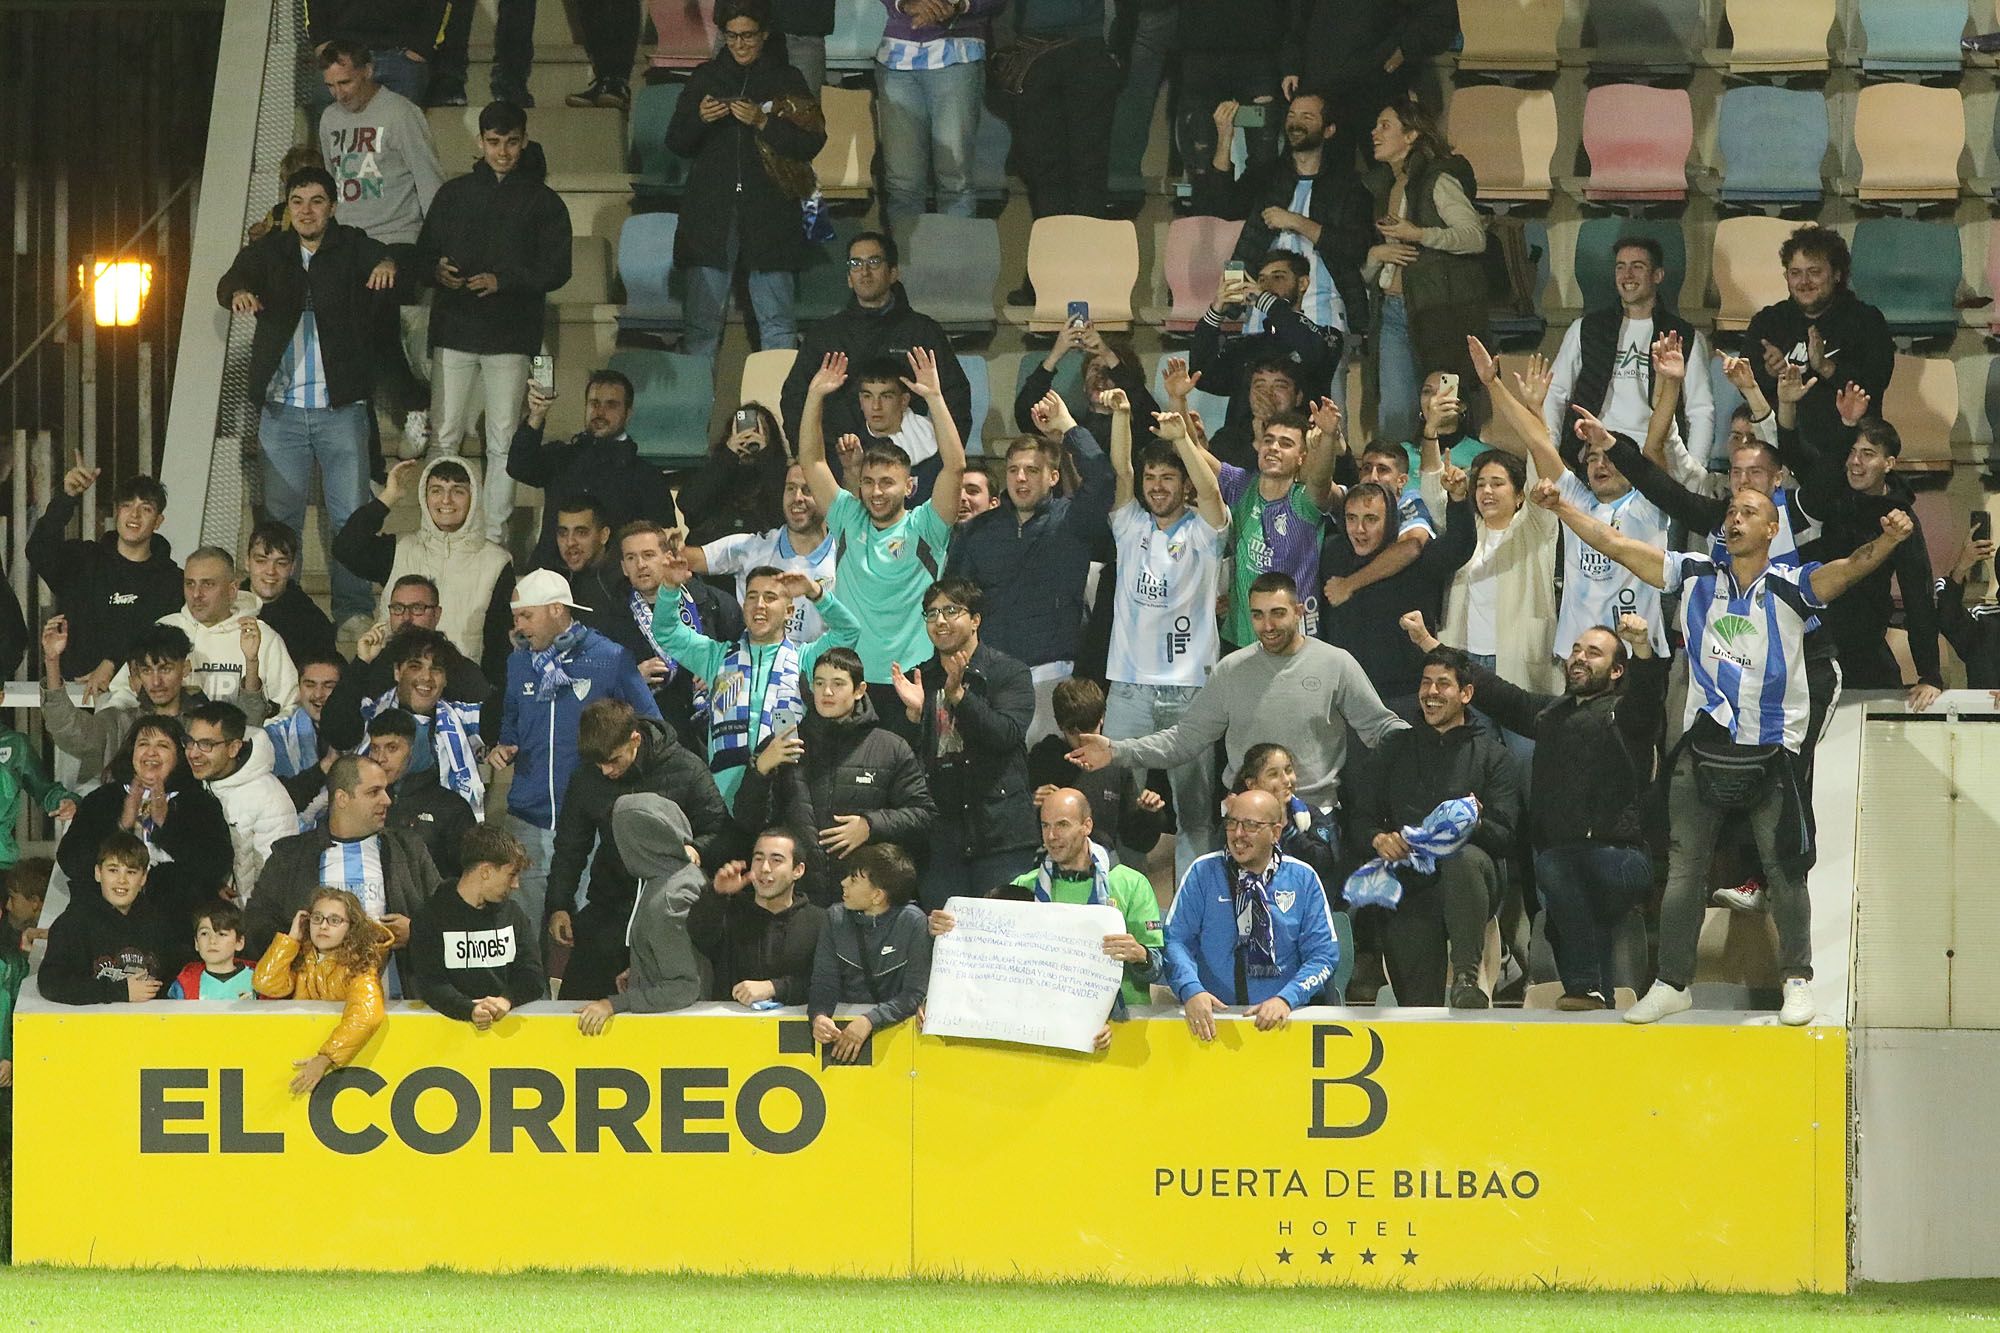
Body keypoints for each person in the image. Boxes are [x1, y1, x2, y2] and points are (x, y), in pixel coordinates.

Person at [1532, 475, 1917, 1026]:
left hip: (1771, 748)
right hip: (1704, 745)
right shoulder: (1692, 574)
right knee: (1685, 872)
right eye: (1731, 511)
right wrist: (1563, 507)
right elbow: (1615, 544)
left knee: (1785, 872)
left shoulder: (1791, 584)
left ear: (1772, 527)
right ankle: (1672, 983)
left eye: (1749, 512)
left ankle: (1796, 980)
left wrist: (1889, 541)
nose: (1735, 520)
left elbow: (1852, 566)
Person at [1403, 609, 1667, 1010]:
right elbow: (1495, 691)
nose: (1578, 657)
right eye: (1576, 650)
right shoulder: (1550, 715)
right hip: (1562, 861)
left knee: (1559, 870)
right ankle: (1597, 997)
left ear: (1616, 672)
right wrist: (1428, 642)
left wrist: (1643, 649)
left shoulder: (1626, 714)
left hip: (1621, 858)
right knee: (1556, 877)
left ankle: (1586, 988)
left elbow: (1648, 695)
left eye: (1593, 653)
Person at [216, 165, 396, 622]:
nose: (306, 210)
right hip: (282, 413)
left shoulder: (351, 243)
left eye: (316, 201)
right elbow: (228, 281)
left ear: (332, 207)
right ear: (287, 207)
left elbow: (389, 257)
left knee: (350, 523)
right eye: (297, 202)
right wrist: (239, 291)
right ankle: (283, 615)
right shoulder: (270, 251)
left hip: (341, 410)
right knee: (281, 526)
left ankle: (353, 612)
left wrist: (385, 265)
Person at [1069, 572, 1409, 814]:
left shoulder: (1336, 663)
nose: (1268, 626)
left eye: (1278, 614)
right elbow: (1182, 741)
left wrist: (1435, 744)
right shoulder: (1231, 671)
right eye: (1258, 615)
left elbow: (1381, 729)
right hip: (1243, 818)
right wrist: (1116, 751)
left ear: (1299, 612)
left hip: (1314, 817)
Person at [415, 100, 573, 539]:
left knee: (502, 437)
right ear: (480, 142)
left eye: (511, 142)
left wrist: (504, 281)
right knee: (445, 434)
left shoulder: (543, 202)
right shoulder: (454, 194)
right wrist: (437, 270)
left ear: (524, 141)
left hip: (509, 334)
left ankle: (494, 535)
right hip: (455, 327)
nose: (502, 151)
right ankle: (437, 531)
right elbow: (424, 252)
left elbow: (558, 268)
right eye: (494, 142)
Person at [1472, 334, 1673, 663]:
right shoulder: (1579, 500)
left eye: (1609, 456)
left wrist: (1670, 383)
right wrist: (1494, 384)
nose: (1599, 464)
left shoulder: (1647, 506)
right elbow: (1538, 443)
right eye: (1591, 458)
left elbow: (1656, 444)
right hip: (1576, 657)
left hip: (1633, 655)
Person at [799, 349, 967, 734]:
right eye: (870, 482)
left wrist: (936, 399)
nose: (877, 492)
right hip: (855, 680)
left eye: (887, 482)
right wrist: (814, 397)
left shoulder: (927, 525)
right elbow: (812, 461)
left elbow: (955, 466)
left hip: (914, 678)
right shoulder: (846, 517)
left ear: (909, 487)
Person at [489, 569, 662, 937]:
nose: (518, 626)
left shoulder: (610, 658)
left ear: (556, 609)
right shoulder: (518, 661)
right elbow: (511, 718)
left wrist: (617, 775)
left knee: (586, 937)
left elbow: (653, 728)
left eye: (526, 616)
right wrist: (504, 746)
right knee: (524, 938)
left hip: (591, 824)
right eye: (516, 616)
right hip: (528, 821)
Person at [1097, 407, 1230, 875]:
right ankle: (1115, 906)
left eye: (1168, 477)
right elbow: (1121, 469)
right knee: (1111, 805)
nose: (1156, 485)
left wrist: (1185, 441)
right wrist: (1121, 416)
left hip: (1191, 689)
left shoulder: (1205, 530)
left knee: (1194, 813)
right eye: (1151, 476)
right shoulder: (1129, 523)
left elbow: (1213, 491)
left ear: (1185, 484)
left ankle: (1190, 913)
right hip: (1129, 689)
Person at [1353, 647, 1520, 1008]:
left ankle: (1465, 979)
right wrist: (1378, 838)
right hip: (1411, 881)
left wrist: (1468, 824)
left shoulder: (1493, 755)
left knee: (1462, 859)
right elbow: (1360, 817)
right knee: (1417, 1007)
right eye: (1426, 683)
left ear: (1466, 694)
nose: (1430, 692)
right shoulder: (1395, 748)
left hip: (1473, 877)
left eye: (1443, 684)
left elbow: (1506, 836)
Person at [947, 393, 1113, 742]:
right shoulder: (976, 531)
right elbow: (956, 600)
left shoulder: (1072, 520)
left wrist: (1068, 427)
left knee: (1047, 777)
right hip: (989, 677)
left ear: (1054, 477)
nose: (1020, 478)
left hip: (1052, 676)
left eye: (1032, 470)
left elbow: (1102, 477)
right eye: (1013, 470)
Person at [667, 0, 827, 358]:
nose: (740, 44)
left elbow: (811, 142)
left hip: (770, 214)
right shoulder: (706, 77)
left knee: (779, 326)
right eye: (732, 36)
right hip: (712, 216)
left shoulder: (787, 78)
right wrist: (700, 118)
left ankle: (780, 413)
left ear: (765, 34)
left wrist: (763, 122)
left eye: (748, 36)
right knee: (701, 328)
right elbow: (676, 141)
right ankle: (698, 414)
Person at [1191, 91, 1372, 401]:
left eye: (1307, 117)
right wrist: (1224, 138)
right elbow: (1221, 205)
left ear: (1328, 130)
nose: (1296, 123)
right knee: (1259, 403)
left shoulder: (1347, 185)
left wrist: (1295, 221)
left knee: (1323, 414)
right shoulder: (1268, 174)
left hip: (1322, 317)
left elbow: (1356, 247)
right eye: (1291, 116)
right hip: (1261, 316)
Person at [549, 698, 731, 999]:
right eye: (598, 764)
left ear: (635, 739)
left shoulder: (686, 768)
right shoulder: (585, 778)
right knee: (577, 1005)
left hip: (672, 912)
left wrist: (697, 848)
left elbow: (720, 830)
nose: (606, 771)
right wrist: (559, 905)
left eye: (614, 760)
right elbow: (570, 847)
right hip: (610, 905)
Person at [317, 38, 446, 458]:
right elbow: (331, 185)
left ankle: (413, 402)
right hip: (350, 244)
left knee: (373, 312)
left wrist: (440, 248)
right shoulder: (328, 120)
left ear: (368, 70)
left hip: (399, 239)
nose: (340, 93)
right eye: (332, 85)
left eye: (347, 82)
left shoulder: (400, 114)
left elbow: (430, 183)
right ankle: (363, 441)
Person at [733, 645, 935, 902]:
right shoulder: (781, 746)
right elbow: (748, 822)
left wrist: (870, 826)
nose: (826, 692)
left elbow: (923, 815)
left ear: (860, 690)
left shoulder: (890, 747)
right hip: (799, 901)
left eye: (838, 683)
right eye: (819, 683)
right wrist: (760, 769)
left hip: (867, 900)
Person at [648, 567, 861, 806]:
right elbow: (666, 632)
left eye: (770, 598)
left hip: (787, 792)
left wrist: (815, 592)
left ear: (789, 611)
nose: (760, 604)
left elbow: (849, 631)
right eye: (752, 597)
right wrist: (669, 588)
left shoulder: (806, 660)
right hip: (723, 795)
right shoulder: (716, 657)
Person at [943, 786, 1165, 1009]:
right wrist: (948, 928)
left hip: (1121, 1024)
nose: (1051, 836)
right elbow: (981, 949)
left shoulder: (1132, 884)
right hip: (1046, 1021)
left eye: (1062, 825)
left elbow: (1159, 968)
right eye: (1045, 825)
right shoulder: (1024, 886)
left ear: (1087, 826)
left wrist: (1141, 956)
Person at [891, 578, 1037, 907]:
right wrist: (915, 717)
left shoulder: (1009, 673)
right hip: (941, 837)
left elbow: (1005, 735)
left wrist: (959, 696)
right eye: (931, 613)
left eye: (951, 610)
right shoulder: (920, 679)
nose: (939, 620)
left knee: (1002, 940)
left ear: (975, 620)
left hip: (1000, 833)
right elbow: (905, 762)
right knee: (946, 942)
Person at [243, 754, 436, 988]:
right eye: (373, 792)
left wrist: (417, 933)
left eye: (386, 790)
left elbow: (449, 916)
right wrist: (301, 943)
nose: (387, 800)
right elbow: (257, 927)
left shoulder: (408, 850)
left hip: (397, 1005)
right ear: (342, 798)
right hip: (313, 1008)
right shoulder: (291, 856)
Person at [1163, 788, 1340, 1040]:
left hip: (1284, 1024)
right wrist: (1191, 990)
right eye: (1232, 823)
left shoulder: (1303, 878)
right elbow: (1176, 941)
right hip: (1212, 1024)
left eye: (1250, 825)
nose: (1238, 834)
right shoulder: (1202, 873)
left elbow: (1324, 955)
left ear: (1275, 833)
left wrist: (1286, 998)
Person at [1363, 97, 1486, 449]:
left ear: (1412, 134)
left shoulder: (1438, 180)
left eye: (1385, 125)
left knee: (1446, 414)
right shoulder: (1384, 185)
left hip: (1437, 312)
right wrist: (1376, 255)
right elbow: (1384, 257)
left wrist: (1419, 234)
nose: (1374, 133)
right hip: (1392, 310)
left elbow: (1474, 237)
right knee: (1396, 414)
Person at [779, 230, 974, 450]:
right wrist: (808, 458)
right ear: (849, 279)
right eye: (855, 263)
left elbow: (955, 396)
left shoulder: (923, 332)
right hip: (837, 460)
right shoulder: (824, 335)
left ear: (893, 273)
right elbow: (794, 397)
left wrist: (943, 460)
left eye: (874, 261)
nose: (864, 271)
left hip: (908, 460)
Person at [333, 455, 515, 677]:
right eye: (436, 490)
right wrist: (389, 497)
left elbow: (498, 647)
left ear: (474, 497)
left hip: (461, 694)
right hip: (393, 688)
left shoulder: (496, 562)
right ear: (424, 496)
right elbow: (345, 547)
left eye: (458, 491)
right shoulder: (399, 548)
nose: (446, 500)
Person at [1543, 235, 1715, 470]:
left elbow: (1700, 409)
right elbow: (1556, 392)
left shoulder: (1685, 336)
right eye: (1620, 267)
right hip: (1595, 451)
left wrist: (1696, 471)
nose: (1627, 275)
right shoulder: (1585, 329)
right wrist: (1551, 451)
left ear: (1658, 275)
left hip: (1654, 457)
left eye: (1638, 267)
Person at [1316, 466, 1474, 706]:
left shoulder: (1418, 559)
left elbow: (1458, 546)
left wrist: (1459, 499)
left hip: (1405, 696)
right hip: (1347, 692)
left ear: (1390, 519)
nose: (1359, 529)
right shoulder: (1333, 552)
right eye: (1351, 518)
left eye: (1370, 519)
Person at [996, 0, 1119, 304]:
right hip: (1044, 50)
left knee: (1075, 174)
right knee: (1054, 174)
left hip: (1073, 46)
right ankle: (1055, 279)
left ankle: (1067, 280)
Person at [57, 719, 234, 928]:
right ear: (132, 753)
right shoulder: (102, 799)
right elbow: (71, 862)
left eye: (163, 745)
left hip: (177, 926)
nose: (151, 752)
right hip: (103, 923)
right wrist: (121, 827)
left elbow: (216, 866)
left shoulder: (198, 801)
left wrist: (166, 827)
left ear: (179, 756)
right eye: (143, 744)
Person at [27, 468, 180, 697]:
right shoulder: (84, 560)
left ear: (158, 521)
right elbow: (38, 550)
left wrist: (112, 663)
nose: (134, 515)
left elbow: (159, 635)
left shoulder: (171, 579)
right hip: (74, 696)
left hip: (140, 704)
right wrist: (67, 497)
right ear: (117, 512)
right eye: (127, 505)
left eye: (145, 508)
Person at [509, 370, 681, 572]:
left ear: (628, 412)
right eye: (594, 403)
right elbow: (518, 466)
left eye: (611, 405)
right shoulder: (562, 457)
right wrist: (536, 415)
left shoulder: (646, 476)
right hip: (551, 576)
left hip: (612, 587)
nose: (600, 412)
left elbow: (661, 542)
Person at [1746, 224, 1896, 449]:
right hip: (1780, 449)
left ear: (1837, 274)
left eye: (1814, 272)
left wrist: (1826, 367)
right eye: (1795, 273)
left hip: (1848, 450)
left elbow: (1875, 383)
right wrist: (1770, 371)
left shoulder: (1866, 321)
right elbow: (1745, 384)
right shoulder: (1768, 322)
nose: (1804, 282)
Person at [604, 522, 744, 748]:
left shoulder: (711, 602)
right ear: (623, 567)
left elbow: (749, 650)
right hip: (653, 739)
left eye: (648, 555)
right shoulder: (611, 619)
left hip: (717, 731)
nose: (640, 565)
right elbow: (600, 688)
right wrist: (632, 679)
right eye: (631, 558)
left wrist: (722, 670)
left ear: (667, 557)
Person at [575, 795, 709, 1031]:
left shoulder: (668, 899)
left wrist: (614, 1004)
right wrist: (642, 969)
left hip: (676, 1033)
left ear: (636, 841)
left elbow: (684, 987)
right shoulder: (680, 876)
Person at [322, 623, 489, 811]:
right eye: (415, 667)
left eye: (436, 669)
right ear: (397, 672)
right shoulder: (370, 713)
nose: (426, 677)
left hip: (442, 828)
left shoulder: (464, 718)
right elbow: (335, 730)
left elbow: (506, 718)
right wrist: (361, 662)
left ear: (446, 678)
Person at [1213, 403, 1339, 650]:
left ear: (1302, 457)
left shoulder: (1303, 501)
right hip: (1240, 640)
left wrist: (1328, 438)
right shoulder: (1241, 486)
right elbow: (1194, 453)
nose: (1273, 448)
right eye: (1269, 440)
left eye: (1286, 443)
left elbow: (1321, 480)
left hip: (1295, 643)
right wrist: (1179, 402)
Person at [41, 621, 224, 787]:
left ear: (185, 668)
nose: (156, 682)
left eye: (165, 669)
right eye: (146, 671)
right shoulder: (120, 722)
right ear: (137, 673)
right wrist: (52, 661)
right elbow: (70, 730)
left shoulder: (205, 725)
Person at [1282, 0, 1458, 172]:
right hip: (1325, 86)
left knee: (1389, 170)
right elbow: (1296, 17)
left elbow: (1438, 12)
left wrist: (1406, 48)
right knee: (1324, 174)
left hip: (1378, 85)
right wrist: (1292, 63)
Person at [872, 0, 1002, 225]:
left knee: (955, 178)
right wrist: (905, 3)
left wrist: (957, 4)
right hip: (896, 58)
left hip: (957, 53)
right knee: (903, 182)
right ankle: (905, 257)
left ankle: (954, 257)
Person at [253, 886, 394, 1092]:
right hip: (301, 1054)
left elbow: (367, 1014)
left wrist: (326, 1057)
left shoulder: (360, 964)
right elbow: (265, 982)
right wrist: (291, 938)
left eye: (334, 920)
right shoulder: (300, 955)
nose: (323, 926)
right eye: (317, 918)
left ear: (352, 927)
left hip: (340, 1063)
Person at [1190, 252, 1346, 435]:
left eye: (1278, 277)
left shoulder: (1327, 337)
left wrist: (1265, 301)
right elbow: (1201, 377)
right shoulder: (1246, 345)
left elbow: (1312, 350)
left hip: (1300, 449)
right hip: (1241, 452)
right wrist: (1216, 311)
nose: (1266, 286)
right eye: (1261, 280)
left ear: (1302, 283)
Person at [685, 463, 838, 642]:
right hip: (755, 666)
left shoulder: (845, 557)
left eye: (807, 490)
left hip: (817, 666)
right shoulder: (752, 547)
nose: (797, 497)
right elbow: (686, 561)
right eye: (790, 488)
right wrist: (667, 546)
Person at [411, 824, 546, 1026]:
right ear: (485, 871)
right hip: (448, 1040)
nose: (516, 885)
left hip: (507, 1039)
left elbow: (532, 976)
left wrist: (507, 1000)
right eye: (511, 874)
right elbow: (431, 984)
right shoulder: (430, 917)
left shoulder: (513, 914)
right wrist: (468, 1009)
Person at [808, 843, 931, 1062]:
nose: (843, 883)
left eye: (854, 880)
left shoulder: (914, 923)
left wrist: (870, 1020)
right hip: (844, 1031)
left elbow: (914, 993)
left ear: (877, 896)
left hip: (898, 1037)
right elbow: (823, 982)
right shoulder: (834, 918)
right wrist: (818, 1016)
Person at [1027, 678, 1167, 867]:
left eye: (1090, 730)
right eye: (1075, 733)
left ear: (1102, 717)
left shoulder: (1115, 763)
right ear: (1060, 725)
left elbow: (1137, 842)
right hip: (1049, 864)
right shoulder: (1043, 758)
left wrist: (1149, 814)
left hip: (1103, 865)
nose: (1084, 741)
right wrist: (1030, 803)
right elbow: (1013, 829)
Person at [148, 548, 301, 713]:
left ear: (232, 590)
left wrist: (255, 737)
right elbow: (125, 694)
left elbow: (290, 707)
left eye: (208, 584)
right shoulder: (164, 630)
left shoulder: (262, 637)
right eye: (190, 584)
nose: (196, 594)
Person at [38, 831, 180, 1005]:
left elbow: (178, 975)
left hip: (149, 1027)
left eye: (131, 872)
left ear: (143, 878)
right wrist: (120, 991)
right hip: (92, 1029)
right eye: (113, 870)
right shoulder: (72, 923)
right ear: (98, 873)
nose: (122, 880)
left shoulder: (160, 922)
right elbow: (51, 983)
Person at [691, 827, 828, 1004]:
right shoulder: (730, 911)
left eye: (776, 860)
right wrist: (716, 894)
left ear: (798, 870)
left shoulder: (819, 922)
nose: (764, 868)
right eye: (758, 858)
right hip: (731, 1024)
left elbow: (829, 983)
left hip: (796, 1029)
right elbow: (700, 936)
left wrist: (774, 988)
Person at [183, 701, 299, 904]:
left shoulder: (269, 799)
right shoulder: (194, 783)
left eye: (206, 744)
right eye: (190, 742)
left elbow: (275, 884)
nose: (193, 753)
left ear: (234, 748)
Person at [363, 707, 477, 880]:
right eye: (375, 748)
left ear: (416, 749)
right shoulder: (362, 802)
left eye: (392, 748)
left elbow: (471, 880)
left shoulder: (452, 808)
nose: (380, 758)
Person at [1013, 322, 1158, 448]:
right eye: (1095, 369)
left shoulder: (1134, 431)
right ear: (1083, 385)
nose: (1101, 376)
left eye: (1110, 370)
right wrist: (1055, 355)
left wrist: (1108, 354)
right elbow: (1025, 415)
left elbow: (1150, 416)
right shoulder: (1066, 424)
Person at [678, 404, 790, 549]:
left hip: (764, 559)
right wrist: (728, 456)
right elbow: (688, 504)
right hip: (710, 558)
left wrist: (765, 457)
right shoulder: (714, 470)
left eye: (758, 430)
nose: (748, 436)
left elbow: (785, 515)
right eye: (741, 430)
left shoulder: (782, 475)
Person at [1235, 743, 1341, 895]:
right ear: (1251, 784)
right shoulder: (1236, 823)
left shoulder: (1309, 814)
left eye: (1288, 770)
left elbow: (1323, 864)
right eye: (1273, 774)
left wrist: (1286, 826)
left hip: (1301, 901)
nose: (1286, 780)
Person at [304, 4, 441, 108]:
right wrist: (321, 41)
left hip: (402, 55)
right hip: (341, 51)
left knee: (397, 134)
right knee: (334, 136)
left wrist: (422, 46)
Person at [243, 520, 339, 664]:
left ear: (293, 567)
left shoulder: (312, 622)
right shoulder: (225, 608)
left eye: (281, 563)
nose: (270, 571)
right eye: (261, 561)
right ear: (247, 562)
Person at [268, 652, 343, 792]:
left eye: (329, 686)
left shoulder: (364, 730)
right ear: (299, 687)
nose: (318, 694)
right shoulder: (274, 735)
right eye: (310, 685)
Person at [166, 902, 258, 1000]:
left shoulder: (258, 980)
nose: (212, 941)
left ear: (239, 942)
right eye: (205, 933)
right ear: (196, 943)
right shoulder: (183, 986)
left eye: (222, 934)